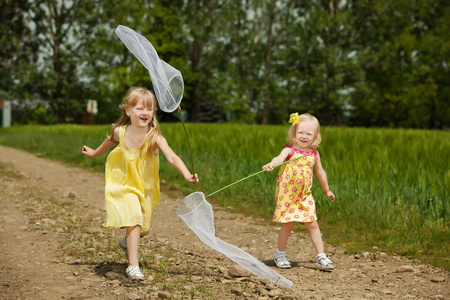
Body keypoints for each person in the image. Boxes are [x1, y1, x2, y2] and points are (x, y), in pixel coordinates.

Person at [82, 86, 199, 280]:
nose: (145, 113)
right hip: (124, 184)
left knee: (143, 227)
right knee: (133, 219)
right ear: (127, 110)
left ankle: (127, 243)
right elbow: (109, 141)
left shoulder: (154, 137)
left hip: (145, 187)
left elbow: (172, 157)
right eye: (139, 108)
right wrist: (94, 153)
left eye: (149, 109)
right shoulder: (120, 132)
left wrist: (187, 175)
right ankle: (133, 265)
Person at [262, 112, 335, 270]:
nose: (304, 136)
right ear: (294, 133)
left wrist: (327, 190)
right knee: (288, 224)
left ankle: (320, 255)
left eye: (308, 134)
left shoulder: (313, 154)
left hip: (304, 196)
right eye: (300, 132)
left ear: (315, 136)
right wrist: (271, 164)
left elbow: (320, 173)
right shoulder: (289, 151)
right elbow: (278, 159)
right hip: (288, 196)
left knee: (313, 224)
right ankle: (279, 253)